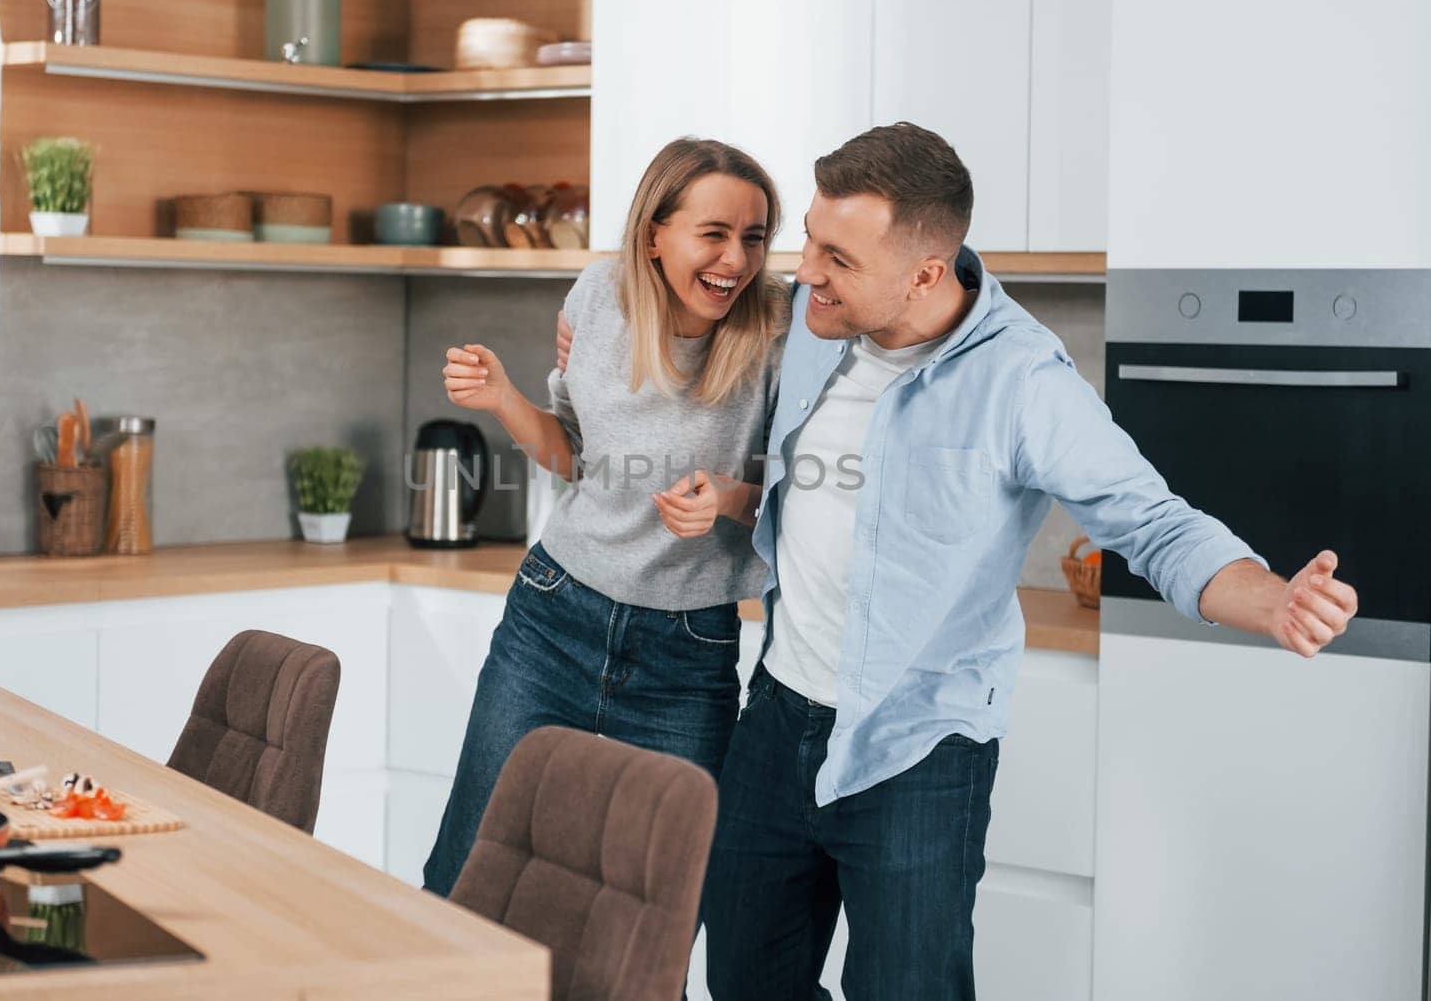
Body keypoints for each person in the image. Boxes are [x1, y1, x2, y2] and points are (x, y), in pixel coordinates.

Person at [558, 122, 1359, 998]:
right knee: (746, 980)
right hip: (778, 714)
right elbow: (692, 339)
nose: (805, 272)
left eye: (838, 258)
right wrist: (588, 334)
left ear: (926, 274)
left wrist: (1273, 598)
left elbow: (1156, 524)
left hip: (919, 744)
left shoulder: (1024, 385)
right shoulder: (817, 324)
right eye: (812, 241)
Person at [420, 137, 790, 897]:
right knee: (468, 873)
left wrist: (728, 498)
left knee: (656, 908)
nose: (737, 260)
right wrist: (503, 398)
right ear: (655, 234)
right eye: (713, 233)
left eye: (753, 237)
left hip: (687, 651)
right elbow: (572, 456)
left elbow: (799, 492)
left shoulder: (781, 327)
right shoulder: (597, 296)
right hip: (553, 617)